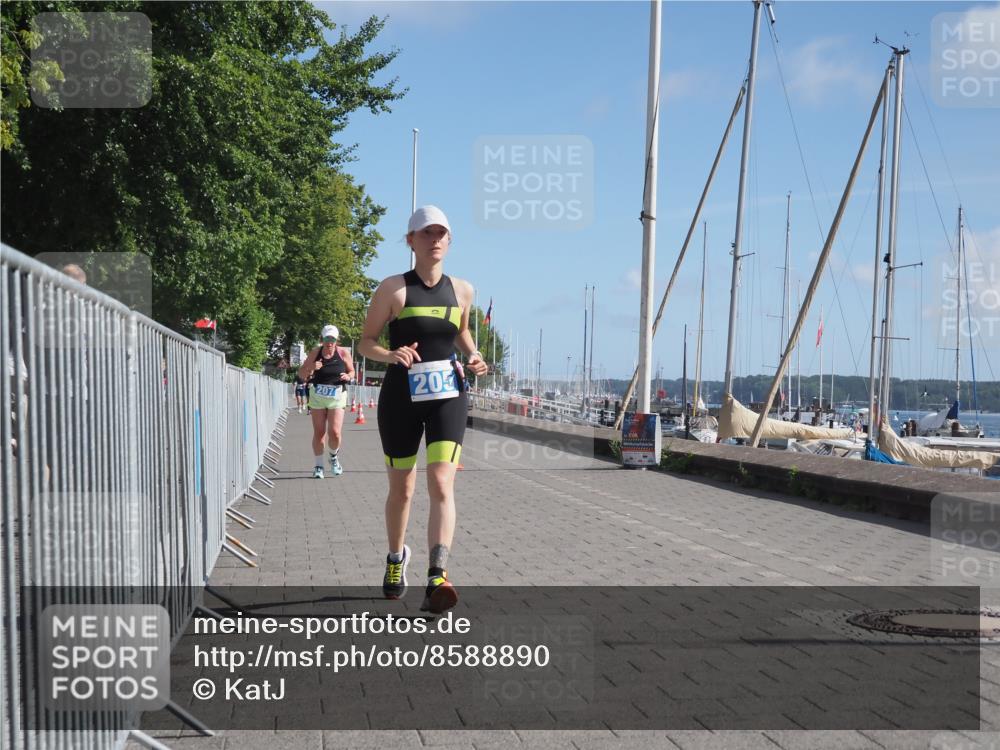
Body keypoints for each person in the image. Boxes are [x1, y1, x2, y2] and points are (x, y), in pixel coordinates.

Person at [358, 206, 488, 614]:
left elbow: (462, 331)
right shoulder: (393, 289)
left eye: (441, 234)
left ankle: (438, 575)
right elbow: (365, 341)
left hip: (448, 395)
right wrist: (388, 353)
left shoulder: (463, 290)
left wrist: (475, 355)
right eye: (426, 233)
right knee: (403, 489)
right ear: (410, 240)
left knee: (441, 481)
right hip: (400, 398)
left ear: (450, 241)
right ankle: (396, 560)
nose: (435, 240)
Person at [298, 325, 354, 479]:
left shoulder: (343, 353)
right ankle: (318, 466)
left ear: (337, 340)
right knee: (320, 433)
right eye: (327, 338)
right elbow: (302, 374)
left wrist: (349, 376)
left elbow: (352, 371)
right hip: (318, 396)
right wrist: (311, 367)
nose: (330, 342)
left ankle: (334, 458)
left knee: (335, 433)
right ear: (322, 339)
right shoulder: (315, 352)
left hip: (337, 396)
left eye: (333, 339)